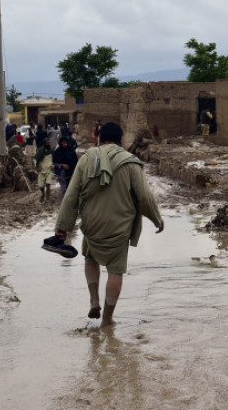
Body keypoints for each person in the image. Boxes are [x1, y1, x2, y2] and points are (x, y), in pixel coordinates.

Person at [53, 121, 164, 325]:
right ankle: (107, 319)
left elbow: (71, 196)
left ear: (99, 138)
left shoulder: (86, 159)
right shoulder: (130, 162)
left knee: (90, 259)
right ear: (121, 140)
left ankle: (94, 299)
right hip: (119, 227)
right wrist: (157, 219)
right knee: (115, 271)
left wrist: (63, 228)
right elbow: (144, 197)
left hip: (92, 224)